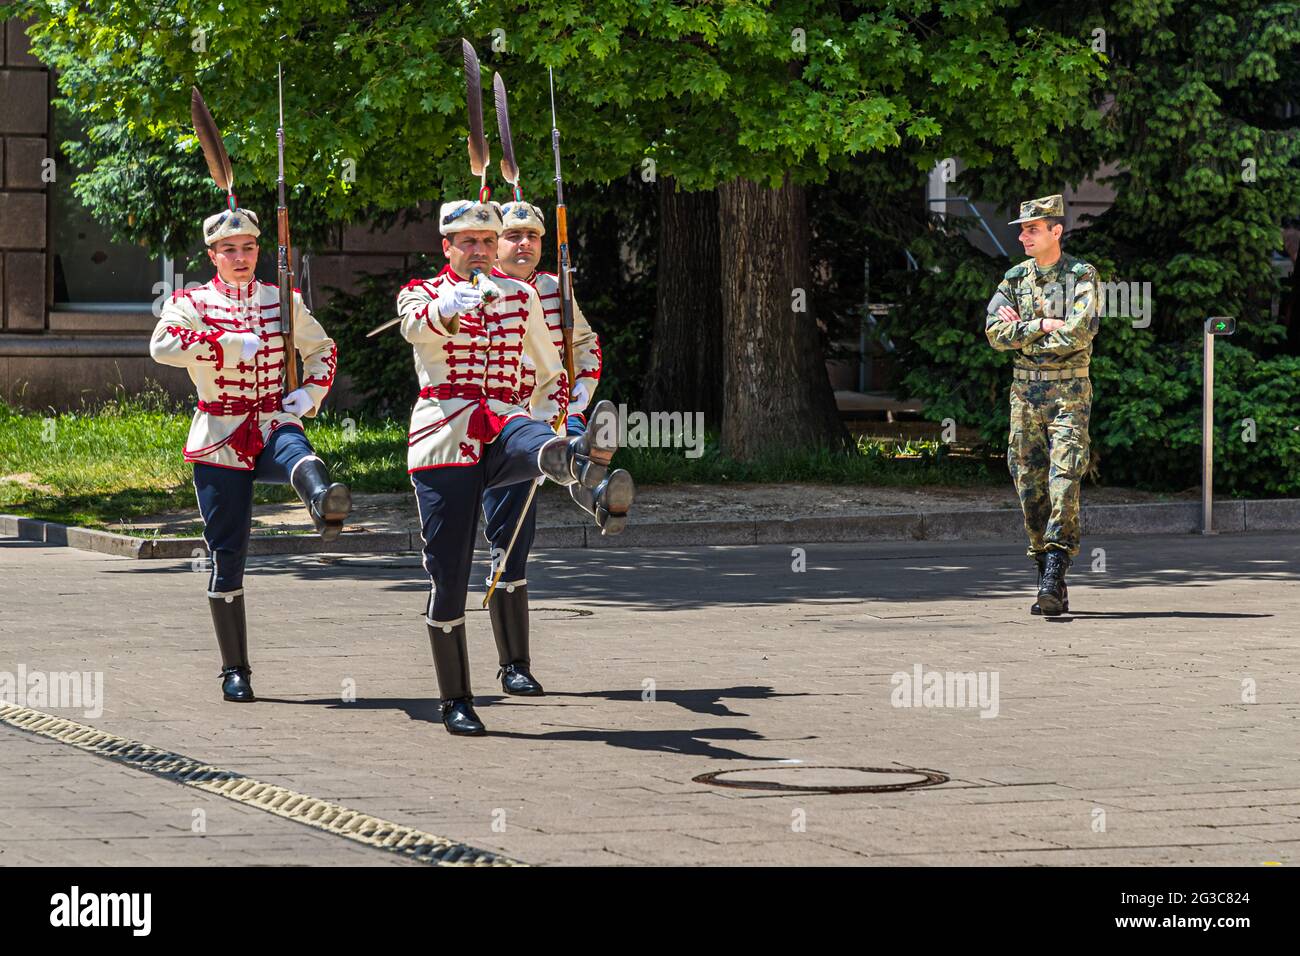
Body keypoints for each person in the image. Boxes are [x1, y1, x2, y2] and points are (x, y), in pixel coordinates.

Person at [150, 206, 349, 700]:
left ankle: (324, 501)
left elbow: (323, 348)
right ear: (212, 255)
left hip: (270, 415)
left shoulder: (281, 300)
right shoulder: (191, 301)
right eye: (229, 250)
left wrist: (311, 394)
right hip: (220, 429)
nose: (241, 258)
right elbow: (163, 344)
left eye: (249, 248)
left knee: (296, 446)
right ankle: (234, 669)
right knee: (227, 552)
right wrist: (224, 343)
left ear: (260, 250)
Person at [985, 194, 1100, 616]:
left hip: (1069, 393)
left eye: (1032, 229)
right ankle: (1042, 563)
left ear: (1056, 231)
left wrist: (1027, 336)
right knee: (1027, 482)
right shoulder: (1014, 278)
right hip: (1024, 398)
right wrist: (1043, 324)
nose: (1023, 236)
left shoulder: (1081, 275)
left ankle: (1055, 567)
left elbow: (1080, 333)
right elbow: (995, 333)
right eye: (1022, 229)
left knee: (1064, 477)